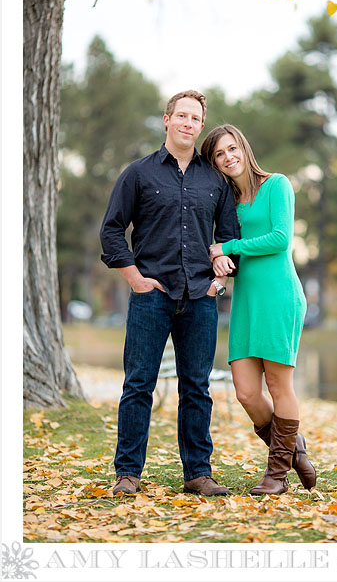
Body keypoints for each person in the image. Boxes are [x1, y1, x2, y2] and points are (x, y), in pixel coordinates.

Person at [100, 90, 240, 496]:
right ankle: (127, 474)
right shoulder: (138, 174)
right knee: (139, 384)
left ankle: (198, 473)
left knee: (196, 387)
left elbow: (230, 238)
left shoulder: (216, 180)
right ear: (166, 120)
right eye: (181, 116)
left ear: (200, 126)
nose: (188, 124)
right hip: (151, 295)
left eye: (195, 119)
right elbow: (112, 230)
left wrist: (220, 281)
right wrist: (134, 277)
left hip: (200, 296)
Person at [200, 124, 317, 496]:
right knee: (247, 392)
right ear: (214, 163)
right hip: (246, 300)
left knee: (279, 385)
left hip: (279, 296)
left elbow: (281, 239)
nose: (228, 157)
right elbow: (225, 254)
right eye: (219, 154)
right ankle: (294, 452)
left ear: (244, 149)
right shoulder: (228, 203)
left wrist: (227, 247)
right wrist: (219, 266)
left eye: (232, 149)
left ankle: (277, 476)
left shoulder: (277, 185)